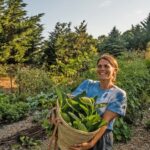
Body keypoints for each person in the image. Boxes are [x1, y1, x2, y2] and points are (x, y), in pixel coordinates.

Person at [69, 54, 127, 150]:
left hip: (100, 138)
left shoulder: (118, 94)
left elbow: (104, 121)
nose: (102, 69)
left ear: (114, 70)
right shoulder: (87, 84)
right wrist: (56, 112)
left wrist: (91, 143)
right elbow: (69, 101)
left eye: (106, 66)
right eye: (99, 66)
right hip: (79, 133)